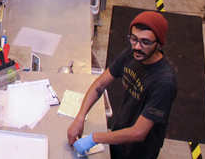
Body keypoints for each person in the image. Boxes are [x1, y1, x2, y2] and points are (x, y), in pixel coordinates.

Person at [68, 11, 177, 159]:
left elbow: (139, 132)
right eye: (134, 39)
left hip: (140, 150)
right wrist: (80, 117)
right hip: (121, 130)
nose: (137, 47)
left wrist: (94, 138)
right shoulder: (133, 54)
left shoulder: (164, 82)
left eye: (145, 42)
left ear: (159, 44)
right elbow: (100, 84)